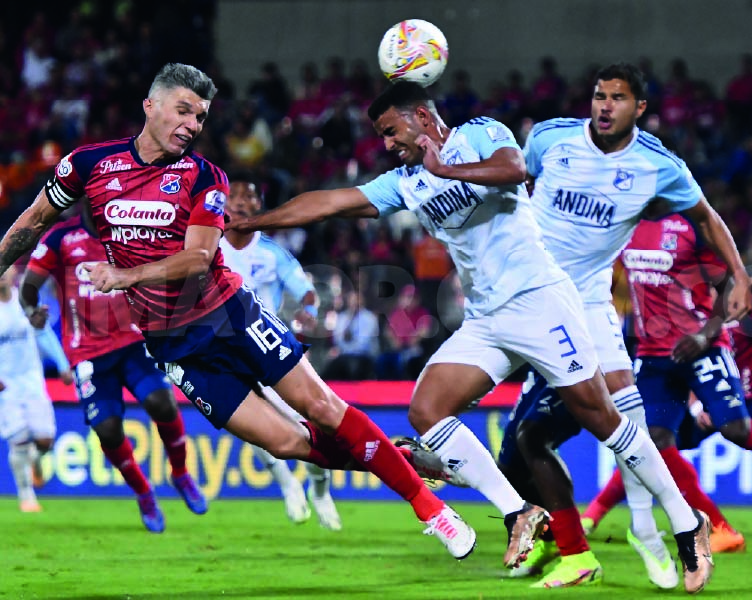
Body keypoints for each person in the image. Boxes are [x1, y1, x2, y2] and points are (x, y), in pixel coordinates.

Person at [227, 80, 713, 591]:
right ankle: (517, 512)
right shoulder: (407, 181)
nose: (387, 145)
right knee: (427, 409)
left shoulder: (480, 134)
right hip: (486, 319)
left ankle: (686, 523)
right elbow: (330, 202)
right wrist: (254, 221)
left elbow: (514, 169)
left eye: (391, 131)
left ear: (419, 116)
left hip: (540, 300)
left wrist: (447, 170)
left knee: (603, 419)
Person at [0, 63, 476, 563]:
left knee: (323, 409)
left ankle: (431, 510)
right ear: (150, 106)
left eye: (201, 116)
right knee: (289, 444)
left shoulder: (204, 176)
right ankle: (399, 459)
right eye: (183, 110)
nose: (192, 124)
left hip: (231, 315)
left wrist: (125, 277)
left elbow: (199, 258)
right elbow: (33, 220)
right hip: (173, 346)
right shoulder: (88, 165)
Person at [497, 62, 752, 590]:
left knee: (612, 413)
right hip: (523, 301)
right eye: (598, 95)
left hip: (586, 304)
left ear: (639, 108)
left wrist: (742, 275)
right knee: (515, 450)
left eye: (616, 97)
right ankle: (550, 528)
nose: (604, 105)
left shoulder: (657, 165)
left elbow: (705, 215)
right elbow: (511, 187)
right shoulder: (550, 139)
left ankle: (647, 529)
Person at [20, 200, 208, 533]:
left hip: (133, 339)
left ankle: (180, 473)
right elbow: (29, 285)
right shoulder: (61, 237)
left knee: (160, 402)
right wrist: (33, 310)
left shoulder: (133, 232)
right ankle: (144, 493)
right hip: (87, 352)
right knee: (107, 428)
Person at [620, 213, 752, 549]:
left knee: (735, 428)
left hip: (710, 354)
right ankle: (718, 528)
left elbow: (732, 286)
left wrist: (704, 336)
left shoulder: (693, 225)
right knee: (653, 443)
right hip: (655, 354)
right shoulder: (625, 222)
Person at [220, 173, 341, 531]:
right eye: (234, 196)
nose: (241, 202)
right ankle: (288, 485)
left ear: (260, 206)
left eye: (249, 196)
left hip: (271, 350)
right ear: (222, 204)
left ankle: (319, 487)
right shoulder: (206, 248)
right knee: (252, 427)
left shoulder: (272, 252)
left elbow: (307, 292)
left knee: (311, 427)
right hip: (228, 354)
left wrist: (309, 311)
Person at [0, 266, 68, 512]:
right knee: (18, 440)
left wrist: (62, 365)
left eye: (5, 269)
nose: (2, 274)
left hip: (32, 380)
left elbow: (43, 334)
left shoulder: (25, 301)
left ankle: (35, 461)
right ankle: (26, 495)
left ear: (14, 272)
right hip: (5, 386)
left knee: (45, 440)